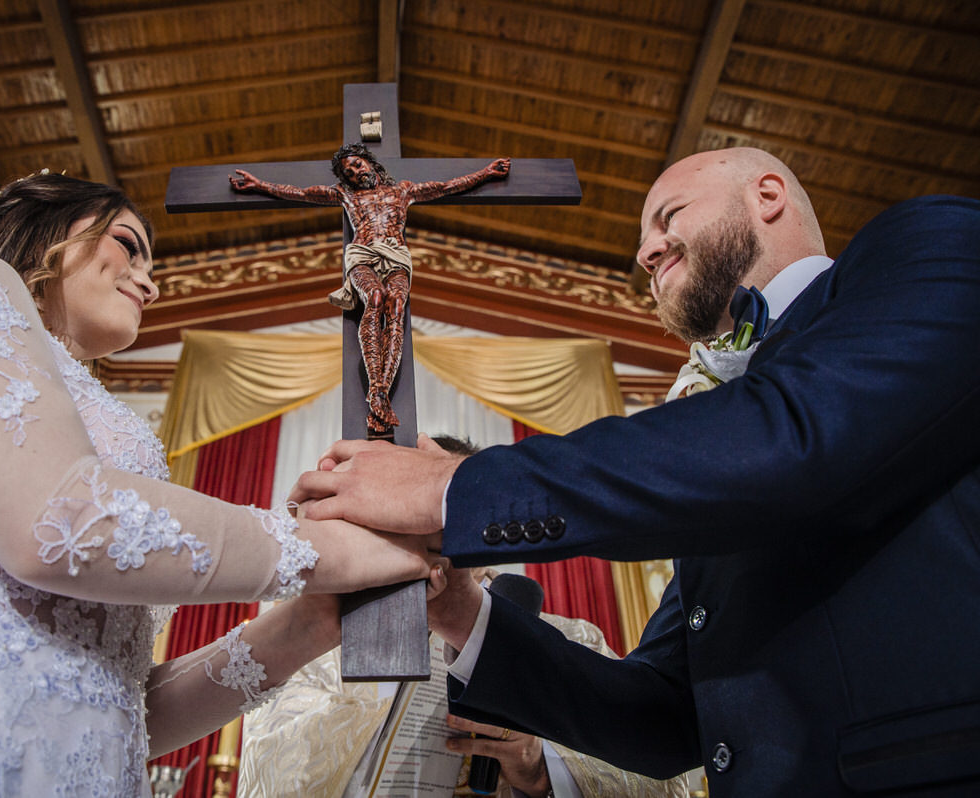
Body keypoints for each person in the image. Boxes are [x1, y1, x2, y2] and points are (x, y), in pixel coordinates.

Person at [290, 147, 980, 795]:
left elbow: (798, 435)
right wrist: (465, 615)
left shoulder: (930, 245)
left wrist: (449, 489)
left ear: (767, 195)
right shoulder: (721, 464)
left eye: (668, 217)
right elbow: (665, 718)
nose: (645, 251)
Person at [0, 172, 431, 795]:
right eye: (128, 245)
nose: (149, 285)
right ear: (45, 229)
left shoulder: (72, 399)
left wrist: (306, 625)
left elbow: (122, 708)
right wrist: (324, 551)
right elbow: (61, 522)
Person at [239, 566, 685, 798]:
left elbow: (654, 769)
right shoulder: (328, 639)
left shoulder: (570, 640)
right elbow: (275, 756)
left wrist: (540, 767)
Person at [230, 144, 510, 433]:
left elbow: (447, 186)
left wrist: (486, 173)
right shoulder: (345, 195)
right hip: (362, 255)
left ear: (369, 162)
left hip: (395, 255)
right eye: (348, 171)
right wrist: (259, 184)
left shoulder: (402, 191)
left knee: (397, 305)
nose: (354, 172)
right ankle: (376, 387)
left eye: (357, 164)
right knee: (375, 298)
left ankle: (380, 393)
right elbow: (300, 193)